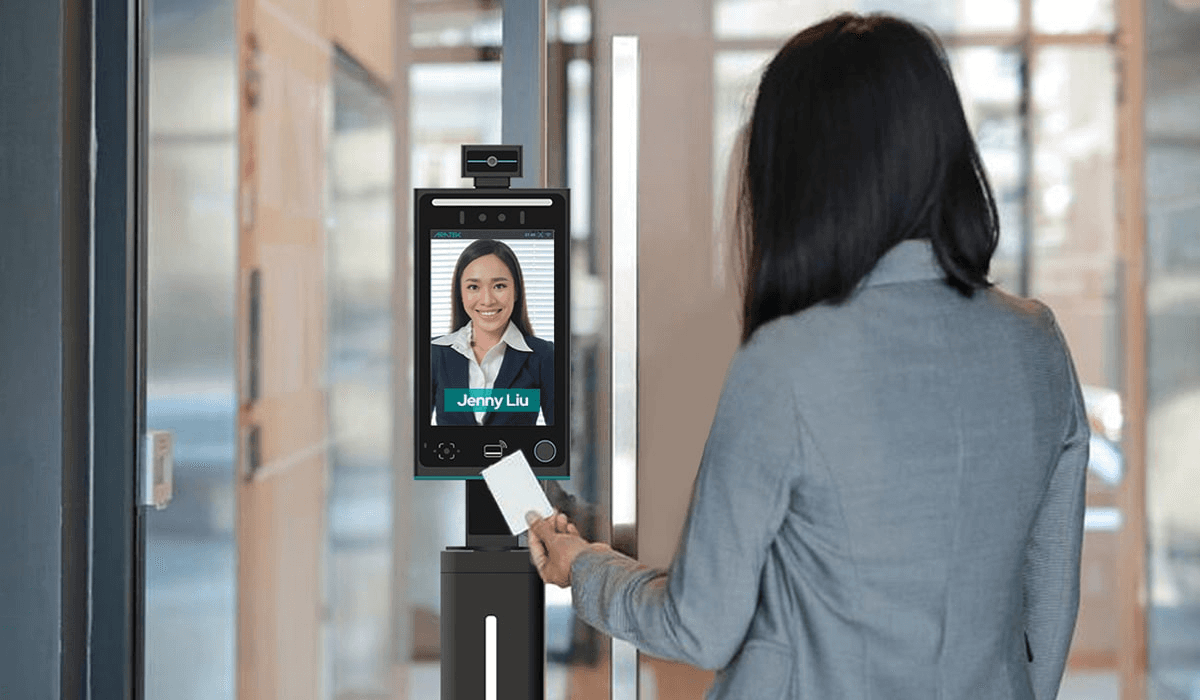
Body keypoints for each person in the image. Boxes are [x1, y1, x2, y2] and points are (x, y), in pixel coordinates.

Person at [526, 12, 1087, 700]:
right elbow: (1049, 606)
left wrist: (584, 567)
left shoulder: (789, 362)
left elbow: (700, 625)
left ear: (799, 174)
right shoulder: (1036, 344)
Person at [431, 238, 553, 426]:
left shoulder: (544, 356)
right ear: (460, 294)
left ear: (517, 291)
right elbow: (413, 438)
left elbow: (561, 439)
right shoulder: (434, 353)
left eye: (499, 286)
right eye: (473, 287)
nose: (487, 300)